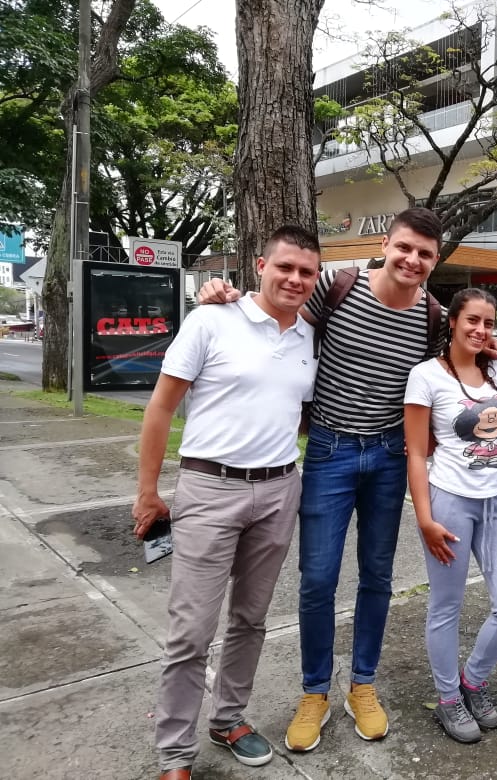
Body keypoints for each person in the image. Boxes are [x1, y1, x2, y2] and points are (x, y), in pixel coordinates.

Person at [196, 208, 497, 749]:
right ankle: (315, 691)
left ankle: (363, 684)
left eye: (425, 254)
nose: (412, 260)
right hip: (330, 451)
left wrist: (488, 347)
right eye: (405, 247)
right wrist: (222, 295)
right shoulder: (336, 286)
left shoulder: (432, 315)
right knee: (317, 579)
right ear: (386, 244)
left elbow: (449, 366)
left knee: (377, 577)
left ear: (435, 261)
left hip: (388, 457)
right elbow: (276, 313)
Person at [132, 226, 321, 780]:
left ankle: (228, 719)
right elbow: (161, 408)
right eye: (285, 267)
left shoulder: (309, 335)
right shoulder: (212, 320)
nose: (295, 279)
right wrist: (148, 492)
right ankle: (174, 753)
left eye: (306, 272)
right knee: (191, 630)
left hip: (280, 489)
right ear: (260, 265)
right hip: (210, 488)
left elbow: (297, 411)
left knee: (251, 618)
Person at [403, 288, 497, 744]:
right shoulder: (425, 376)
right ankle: (447, 698)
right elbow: (416, 453)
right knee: (446, 606)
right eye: (472, 320)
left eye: (489, 323)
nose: (480, 329)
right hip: (449, 501)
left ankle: (473, 680)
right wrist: (424, 518)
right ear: (452, 321)